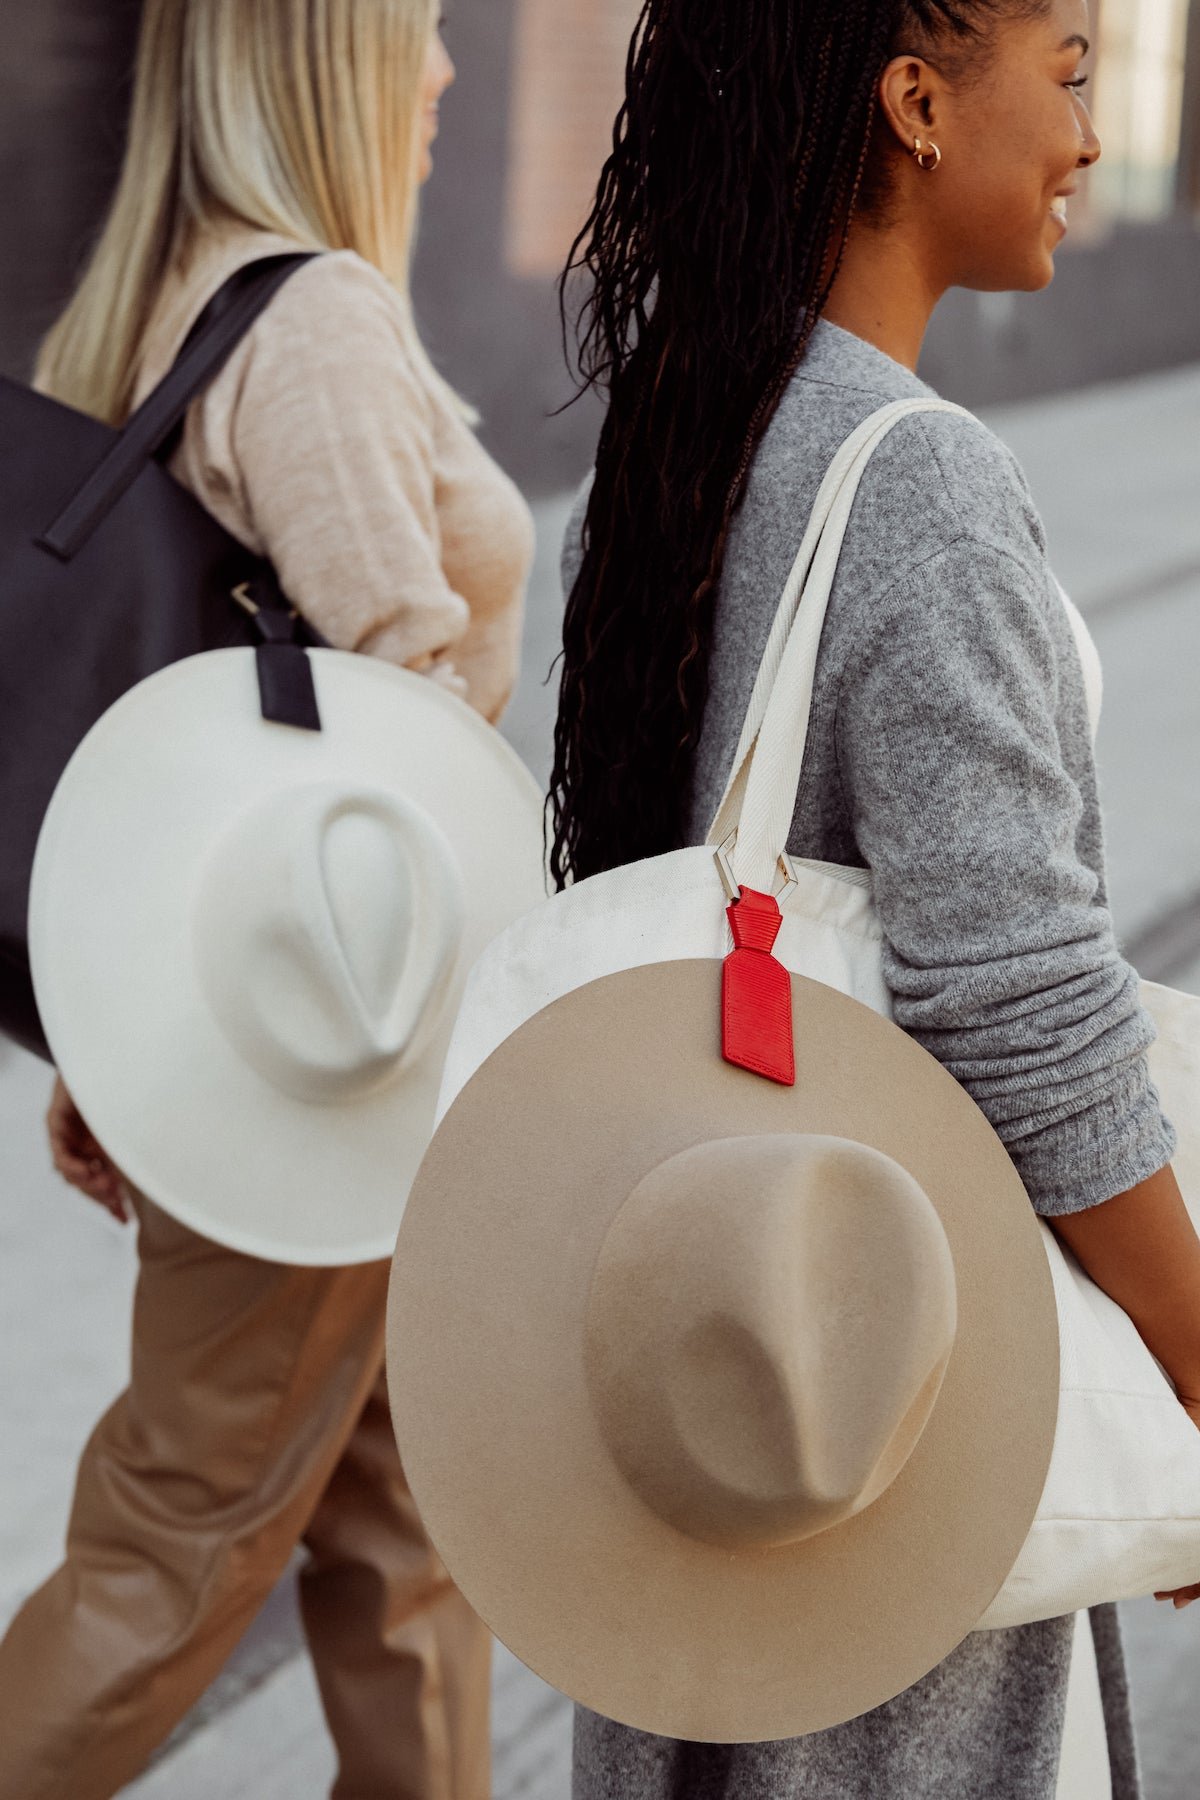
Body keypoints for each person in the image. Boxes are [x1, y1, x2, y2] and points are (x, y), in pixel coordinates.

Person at [553, 2, 1200, 1795]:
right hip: (888, 1383)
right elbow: (1018, 998)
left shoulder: (697, 421)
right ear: (917, 103)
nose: (1086, 135)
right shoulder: (922, 480)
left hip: (718, 1359)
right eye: (1069, 71)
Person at [0, 3, 532, 1796]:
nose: (449, 74)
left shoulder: (200, 291)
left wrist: (128, 1044)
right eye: (420, 35)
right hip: (348, 1047)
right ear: (325, 64)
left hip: (316, 1046)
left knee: (405, 1541)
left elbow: (196, 740)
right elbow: (401, 733)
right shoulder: (309, 321)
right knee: (176, 1552)